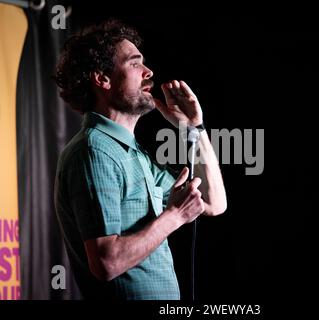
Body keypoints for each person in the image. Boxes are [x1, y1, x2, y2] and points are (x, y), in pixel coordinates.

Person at [53, 20, 227, 300]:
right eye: (135, 64)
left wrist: (194, 129)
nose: (149, 72)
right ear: (103, 79)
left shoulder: (133, 153)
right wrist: (174, 217)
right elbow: (106, 263)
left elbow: (213, 203)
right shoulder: (94, 151)